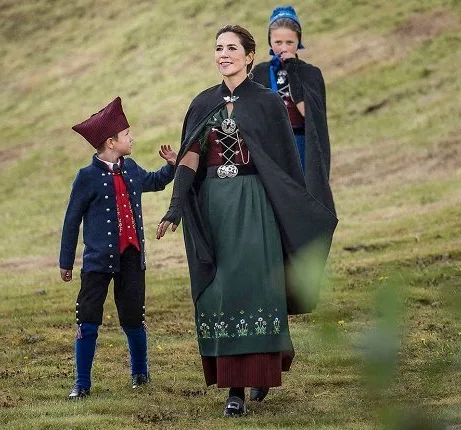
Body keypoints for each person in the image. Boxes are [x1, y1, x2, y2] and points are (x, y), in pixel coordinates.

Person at [156, 25, 337, 417]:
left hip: (256, 205)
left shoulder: (268, 103)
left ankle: (261, 371)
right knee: (222, 292)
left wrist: (290, 211)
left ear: (250, 55)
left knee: (257, 287)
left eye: (232, 48)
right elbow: (190, 157)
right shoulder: (204, 102)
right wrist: (175, 205)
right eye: (218, 47)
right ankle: (233, 389)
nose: (224, 54)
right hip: (215, 206)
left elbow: (285, 166)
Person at [59, 96, 176, 399]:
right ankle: (82, 383)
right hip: (97, 262)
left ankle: (140, 373)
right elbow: (72, 221)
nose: (131, 138)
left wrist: (171, 167)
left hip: (132, 258)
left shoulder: (132, 167)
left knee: (134, 318)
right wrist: (66, 261)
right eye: (127, 135)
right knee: (87, 319)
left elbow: (154, 181)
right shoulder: (86, 178)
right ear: (110, 142)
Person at [251, 5, 335, 215]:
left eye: (290, 42)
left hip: (300, 145)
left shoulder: (310, 73)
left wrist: (293, 72)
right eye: (278, 42)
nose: (283, 47)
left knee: (302, 202)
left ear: (299, 41)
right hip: (271, 147)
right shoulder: (260, 73)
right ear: (270, 41)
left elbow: (310, 114)